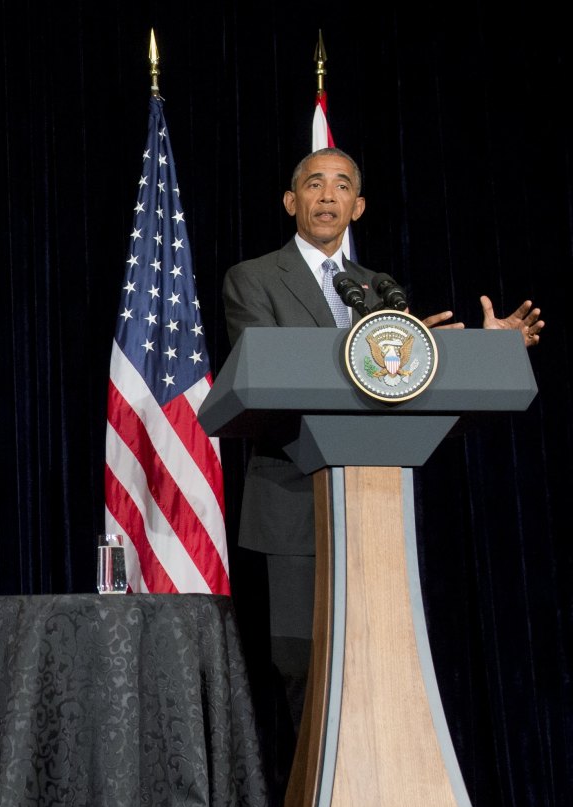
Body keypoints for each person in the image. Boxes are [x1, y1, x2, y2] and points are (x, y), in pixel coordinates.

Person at [222, 147, 544, 733]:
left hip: (376, 503)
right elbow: (265, 369)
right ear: (291, 201)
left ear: (359, 205)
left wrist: (480, 352)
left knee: (379, 661)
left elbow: (401, 385)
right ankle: (315, 793)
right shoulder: (253, 277)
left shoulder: (381, 290)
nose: (328, 196)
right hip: (295, 498)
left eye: (342, 186)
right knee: (304, 663)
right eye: (314, 184)